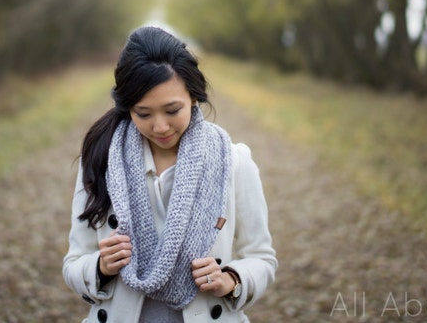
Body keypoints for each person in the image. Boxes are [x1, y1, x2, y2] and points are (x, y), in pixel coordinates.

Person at [63, 26, 276, 323]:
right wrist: (100, 268)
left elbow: (262, 258)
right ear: (128, 109)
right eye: (144, 114)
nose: (160, 127)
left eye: (172, 110)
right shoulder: (102, 161)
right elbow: (73, 263)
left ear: (193, 96)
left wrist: (231, 281)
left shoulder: (234, 162)